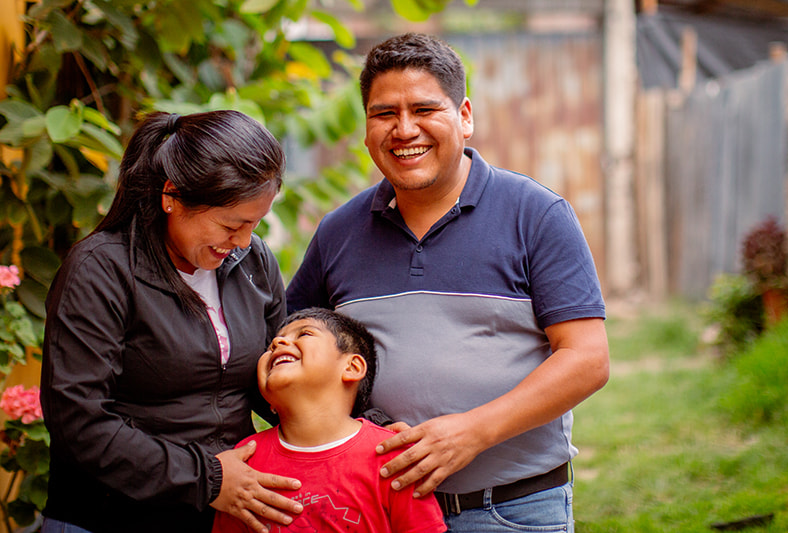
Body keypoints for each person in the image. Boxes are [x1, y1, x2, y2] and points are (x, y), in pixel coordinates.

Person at [286, 33, 610, 532]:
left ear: (464, 116)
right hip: (377, 510)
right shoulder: (338, 232)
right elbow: (289, 353)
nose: (404, 129)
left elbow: (587, 359)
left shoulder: (536, 214)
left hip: (512, 509)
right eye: (384, 114)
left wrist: (472, 433)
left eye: (423, 109)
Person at [40, 110, 306, 533]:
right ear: (172, 196)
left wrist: (358, 428)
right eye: (230, 225)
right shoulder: (100, 270)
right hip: (109, 515)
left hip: (215, 518)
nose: (241, 241)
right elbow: (80, 420)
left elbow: (276, 378)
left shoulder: (251, 259)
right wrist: (208, 478)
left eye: (254, 224)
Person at [211, 307, 447, 533]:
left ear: (352, 367)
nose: (277, 343)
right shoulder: (245, 458)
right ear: (268, 401)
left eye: (304, 333)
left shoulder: (393, 455)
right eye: (272, 344)